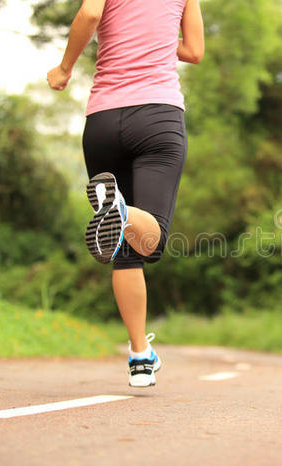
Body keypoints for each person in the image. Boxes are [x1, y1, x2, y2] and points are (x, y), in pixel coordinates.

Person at [47, 0, 204, 387]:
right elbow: (194, 51)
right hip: (157, 116)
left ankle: (139, 356)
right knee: (151, 239)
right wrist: (158, 39)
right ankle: (120, 208)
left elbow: (88, 15)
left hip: (102, 120)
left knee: (123, 249)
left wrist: (65, 68)